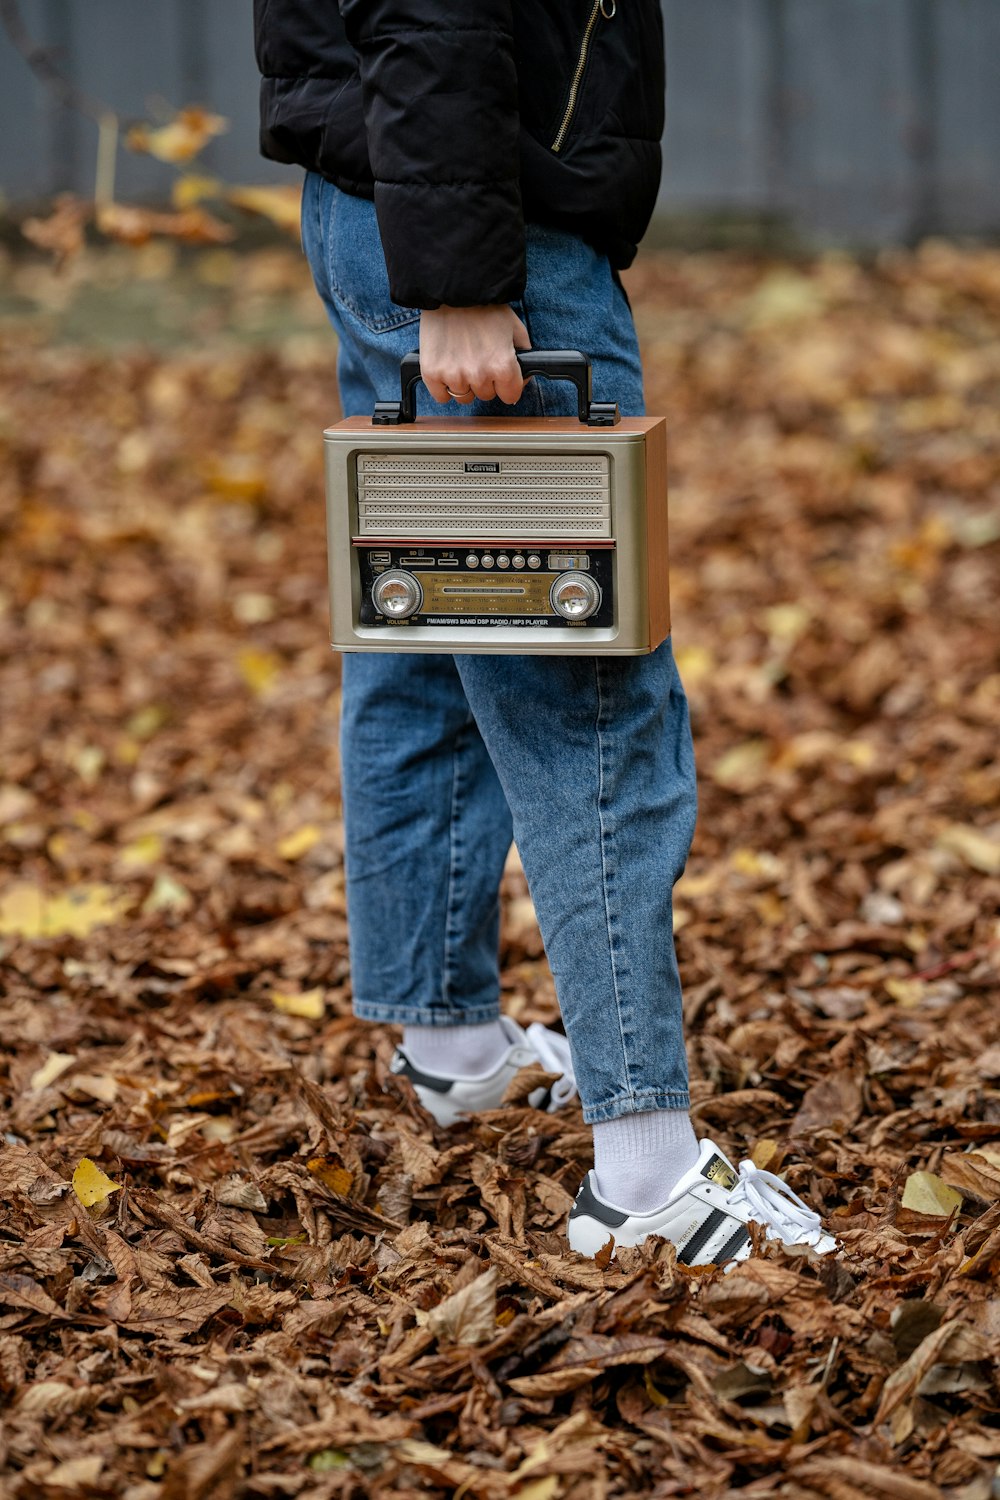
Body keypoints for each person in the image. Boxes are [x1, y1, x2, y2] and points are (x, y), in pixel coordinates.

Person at [253, 0, 835, 1264]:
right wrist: (461, 276)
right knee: (583, 691)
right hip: (479, 232)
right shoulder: (467, 248)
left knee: (429, 632)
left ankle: (452, 1049)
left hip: (382, 198)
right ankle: (648, 1176)